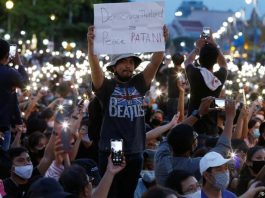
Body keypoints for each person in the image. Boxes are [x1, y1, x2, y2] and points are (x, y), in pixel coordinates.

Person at [87, 25, 168, 198]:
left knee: (128, 194)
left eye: (131, 62)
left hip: (136, 149)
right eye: (123, 62)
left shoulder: (139, 83)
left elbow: (155, 61)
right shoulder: (106, 87)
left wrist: (161, 40)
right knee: (112, 194)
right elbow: (94, 68)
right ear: (113, 67)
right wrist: (92, 46)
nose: (128, 66)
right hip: (114, 149)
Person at [155, 98, 235, 185]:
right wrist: (230, 118)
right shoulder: (195, 165)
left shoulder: (161, 156)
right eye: (195, 136)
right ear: (193, 146)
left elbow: (174, 133)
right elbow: (223, 149)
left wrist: (199, 113)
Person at [184, 28, 227, 136]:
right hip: (212, 129)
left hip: (193, 126)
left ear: (199, 60)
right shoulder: (219, 77)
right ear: (215, 60)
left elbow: (188, 62)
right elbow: (224, 65)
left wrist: (197, 48)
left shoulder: (195, 74)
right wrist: (215, 44)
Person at [0, 39, 28, 151]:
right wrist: (18, 62)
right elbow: (25, 83)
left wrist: (17, 120)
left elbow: (13, 98)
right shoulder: (9, 73)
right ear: (7, 54)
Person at [166, 53, 185, 120]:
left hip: (170, 97)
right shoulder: (185, 71)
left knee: (170, 117)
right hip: (181, 98)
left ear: (173, 61)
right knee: (179, 117)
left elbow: (160, 72)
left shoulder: (169, 70)